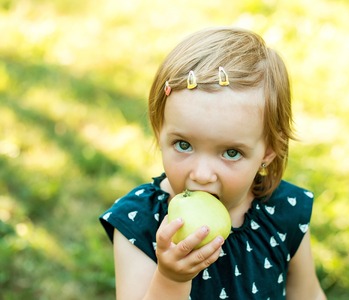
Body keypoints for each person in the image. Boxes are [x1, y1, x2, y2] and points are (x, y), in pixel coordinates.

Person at [100, 26, 326, 300]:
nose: (203, 174)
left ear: (268, 151)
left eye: (231, 153)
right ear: (159, 132)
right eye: (184, 145)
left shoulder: (282, 212)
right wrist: (172, 279)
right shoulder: (141, 223)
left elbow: (308, 294)